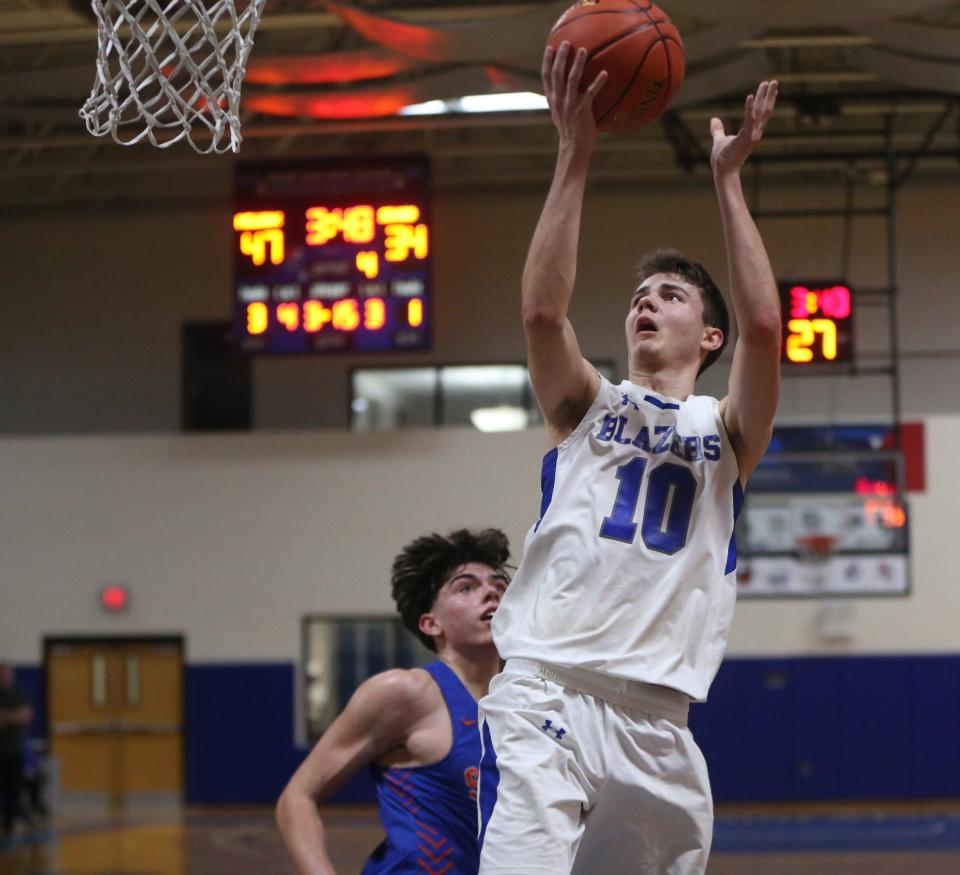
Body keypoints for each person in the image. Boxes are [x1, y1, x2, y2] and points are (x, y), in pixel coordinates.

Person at [476, 43, 781, 875]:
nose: (646, 300)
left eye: (671, 295)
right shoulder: (586, 403)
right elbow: (543, 311)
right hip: (546, 690)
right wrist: (574, 151)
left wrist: (728, 181)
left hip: (659, 721)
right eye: (640, 295)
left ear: (707, 337)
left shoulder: (729, 431)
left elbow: (765, 328)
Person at [277, 529, 511, 875]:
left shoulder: (527, 700)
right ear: (431, 623)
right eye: (466, 587)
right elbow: (296, 797)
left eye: (499, 585)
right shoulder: (406, 692)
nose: (491, 592)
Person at [0, 662, 33, 841]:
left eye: (8, 674)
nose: (5, 677)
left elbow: (26, 716)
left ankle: (14, 820)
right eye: (2, 674)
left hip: (15, 750)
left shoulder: (19, 694)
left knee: (15, 787)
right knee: (4, 787)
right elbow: (19, 716)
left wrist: (6, 717)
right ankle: (5, 820)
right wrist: (15, 717)